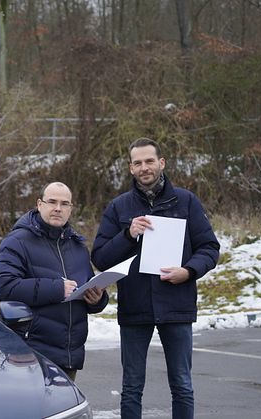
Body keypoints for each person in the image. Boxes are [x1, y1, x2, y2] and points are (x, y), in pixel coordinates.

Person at [91, 138, 220, 419]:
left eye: (149, 161)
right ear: (130, 168)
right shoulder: (119, 208)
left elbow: (210, 248)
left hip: (177, 306)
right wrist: (128, 235)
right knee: (132, 387)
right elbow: (100, 258)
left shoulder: (185, 201)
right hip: (135, 308)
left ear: (161, 163)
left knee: (182, 386)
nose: (144, 167)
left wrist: (188, 271)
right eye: (137, 163)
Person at [0, 181, 108, 380]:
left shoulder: (78, 246)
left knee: (66, 410)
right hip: (32, 353)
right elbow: (4, 285)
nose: (58, 208)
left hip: (70, 354)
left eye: (64, 204)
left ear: (70, 209)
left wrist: (98, 299)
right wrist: (55, 289)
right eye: (52, 202)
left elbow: (87, 286)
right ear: (39, 204)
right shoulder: (17, 241)